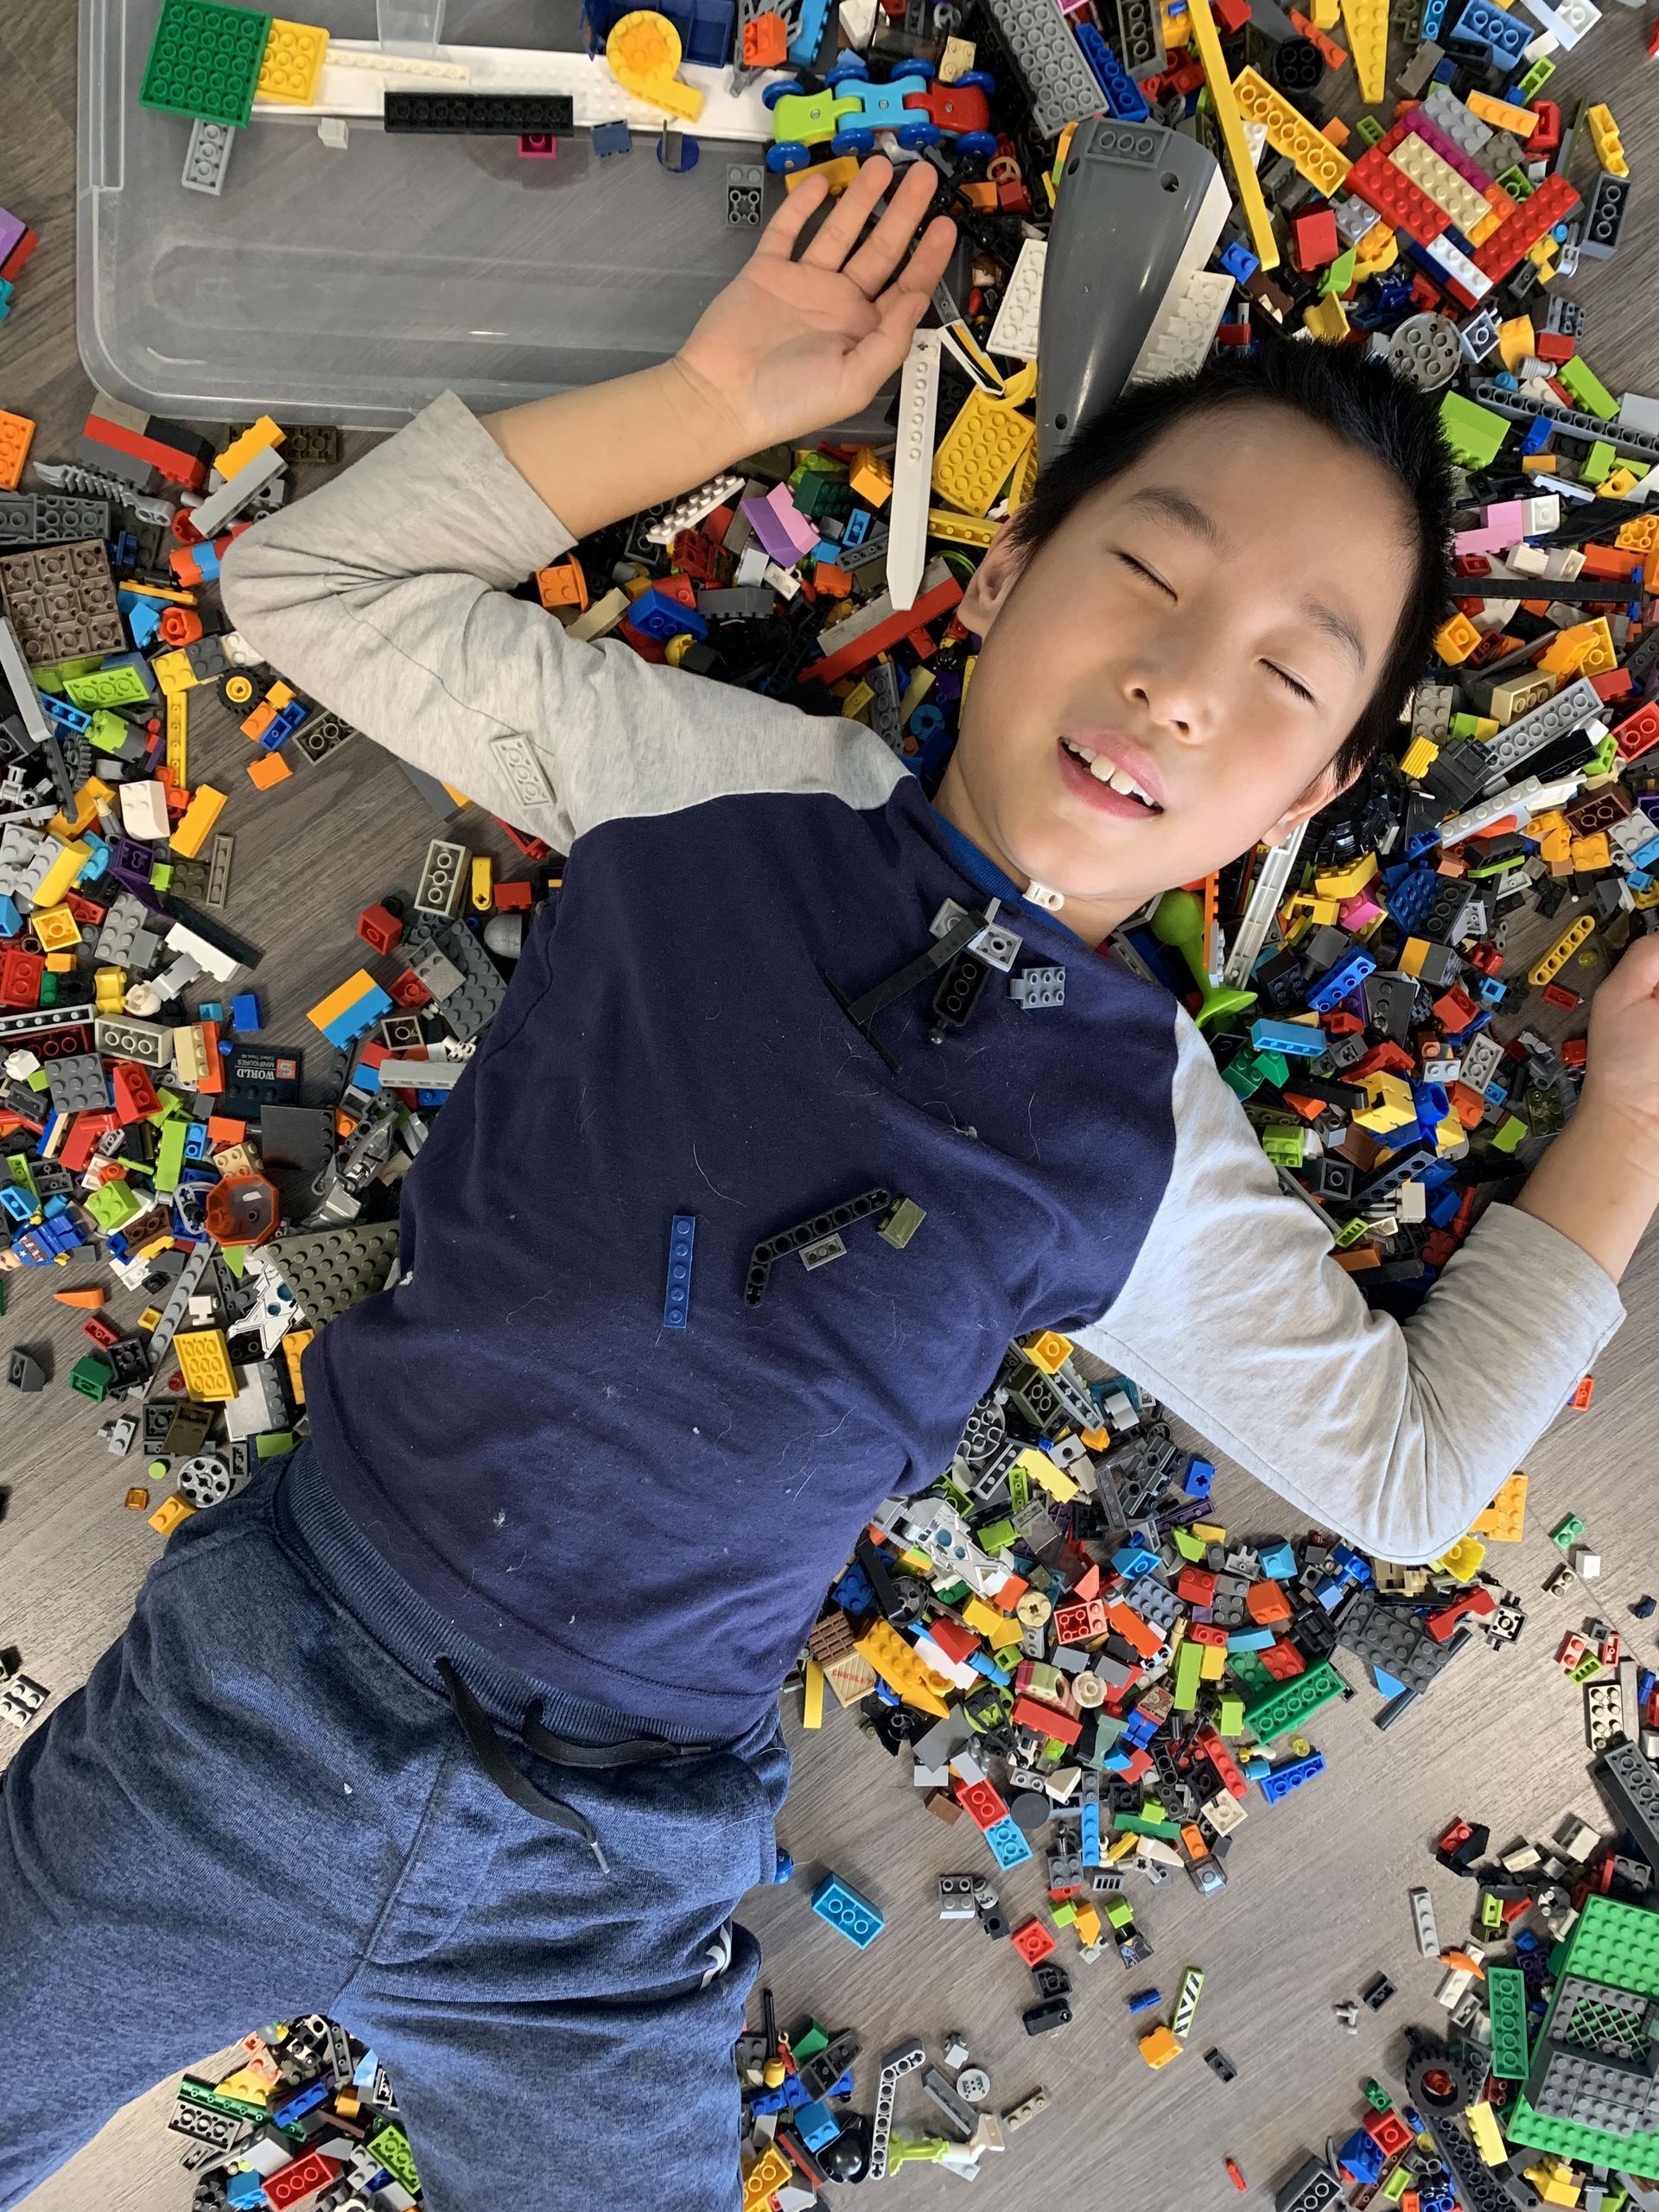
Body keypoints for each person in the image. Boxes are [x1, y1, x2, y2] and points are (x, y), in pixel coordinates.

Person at [5, 155, 1658, 2212]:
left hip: (596, 1901)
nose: (1181, 678)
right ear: (1004, 568)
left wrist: (1630, 1111)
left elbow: (1406, 1468)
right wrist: (708, 400)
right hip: (267, 1694)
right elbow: (310, 590)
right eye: (1147, 571)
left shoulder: (1141, 1140)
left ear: (1308, 793)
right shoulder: (716, 788)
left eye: (1287, 674)